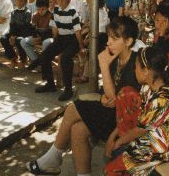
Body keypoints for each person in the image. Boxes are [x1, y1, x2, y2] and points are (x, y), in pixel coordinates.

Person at [27, 17, 140, 175]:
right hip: (109, 112)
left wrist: (103, 65)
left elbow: (115, 101)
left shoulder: (135, 64)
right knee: (77, 129)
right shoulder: (115, 58)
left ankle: (53, 156)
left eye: (114, 38)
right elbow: (108, 95)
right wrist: (103, 96)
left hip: (122, 122)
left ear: (128, 41)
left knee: (74, 108)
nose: (108, 42)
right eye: (108, 37)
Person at [104, 46, 169, 176]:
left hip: (161, 151)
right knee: (126, 93)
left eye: (137, 67)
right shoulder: (148, 88)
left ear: (146, 71)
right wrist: (113, 135)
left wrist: (116, 142)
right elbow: (142, 119)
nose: (134, 70)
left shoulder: (164, 99)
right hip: (149, 139)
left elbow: (140, 129)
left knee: (111, 170)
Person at [33, 0, 84, 101]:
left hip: (72, 40)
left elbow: (77, 31)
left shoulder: (72, 12)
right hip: (60, 38)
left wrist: (81, 46)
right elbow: (54, 28)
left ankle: (68, 89)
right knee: (45, 55)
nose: (60, 2)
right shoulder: (56, 9)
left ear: (69, 0)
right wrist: (55, 42)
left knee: (65, 59)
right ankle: (50, 84)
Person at [0, 0, 32, 68]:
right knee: (3, 38)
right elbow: (12, 25)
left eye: (21, 1)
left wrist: (15, 36)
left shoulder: (27, 12)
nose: (19, 2)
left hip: (24, 33)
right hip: (15, 32)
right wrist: (12, 35)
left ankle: (23, 59)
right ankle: (13, 57)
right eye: (17, 0)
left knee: (19, 40)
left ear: (25, 2)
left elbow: (25, 26)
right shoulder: (13, 12)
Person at [22, 0, 53, 66]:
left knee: (45, 43)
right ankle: (37, 62)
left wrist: (40, 38)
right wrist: (35, 37)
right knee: (23, 41)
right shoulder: (35, 15)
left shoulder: (51, 16)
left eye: (43, 9)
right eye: (38, 9)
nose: (40, 11)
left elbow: (51, 32)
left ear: (47, 8)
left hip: (48, 37)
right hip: (38, 37)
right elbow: (33, 29)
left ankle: (45, 63)